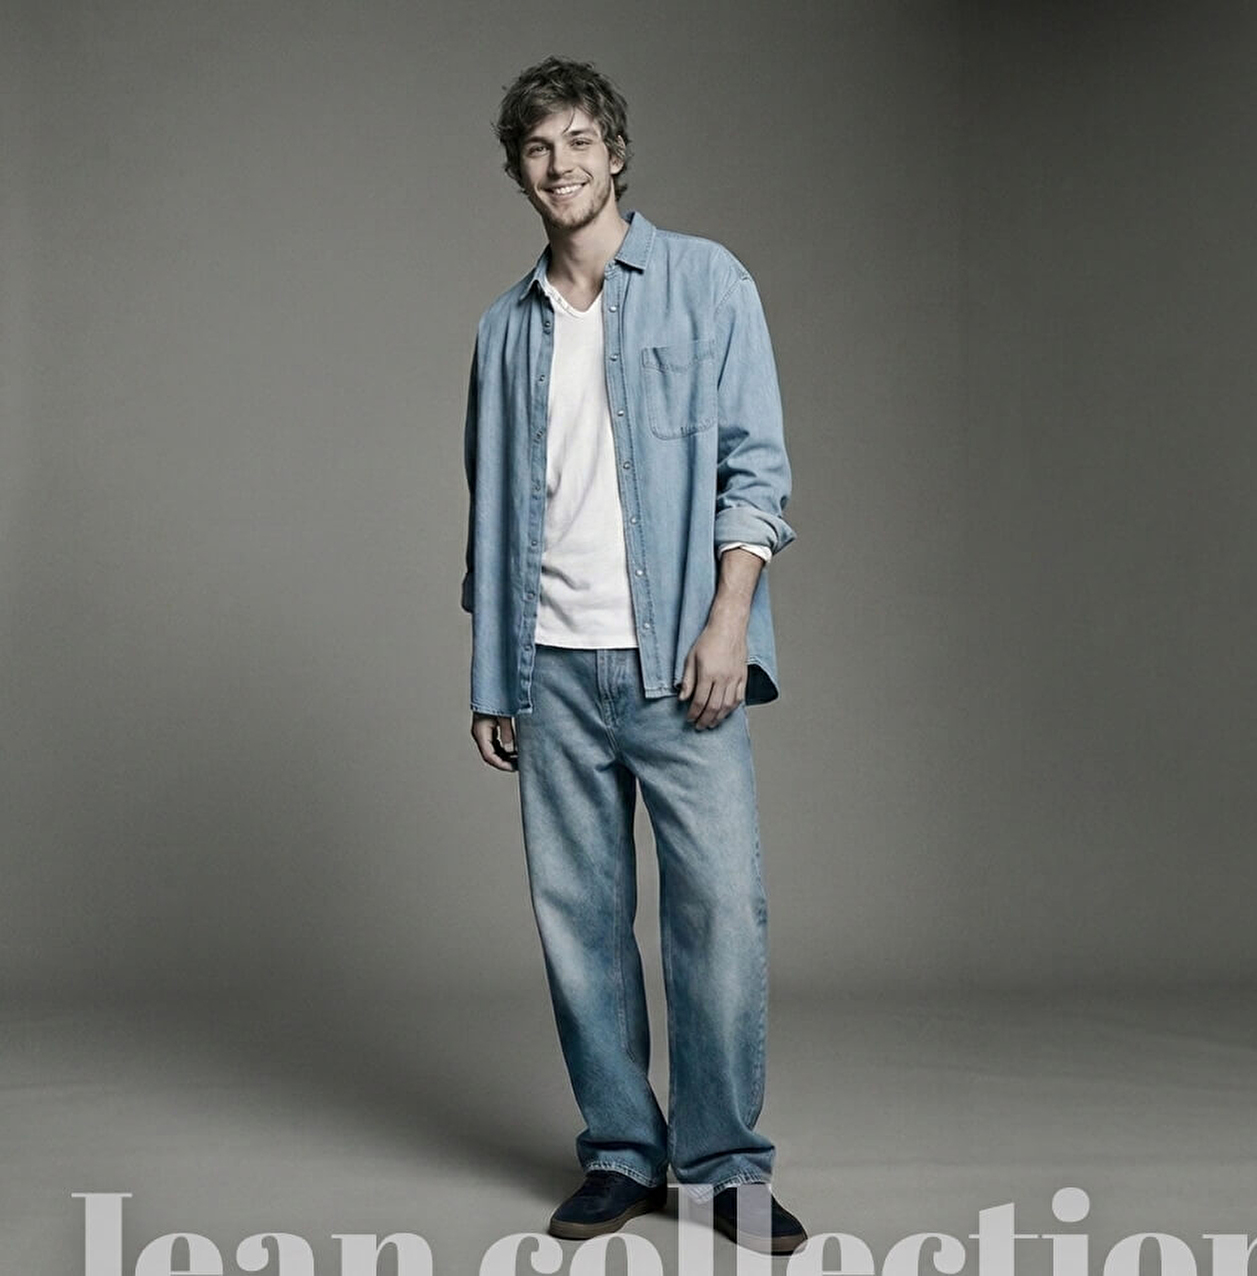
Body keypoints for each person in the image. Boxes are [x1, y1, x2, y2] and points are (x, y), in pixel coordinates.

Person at [460, 55, 806, 1256]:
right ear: (519, 172)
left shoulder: (707, 284)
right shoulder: (504, 331)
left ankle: (720, 1168)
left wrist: (727, 618)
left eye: (576, 141)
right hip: (549, 667)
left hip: (678, 663)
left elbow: (756, 468)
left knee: (720, 917)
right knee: (582, 923)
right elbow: (492, 513)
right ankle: (620, 1150)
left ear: (614, 152)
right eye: (536, 149)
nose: (558, 166)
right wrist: (493, 674)